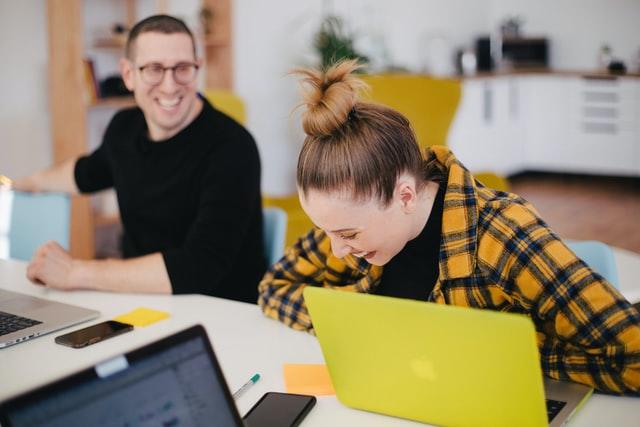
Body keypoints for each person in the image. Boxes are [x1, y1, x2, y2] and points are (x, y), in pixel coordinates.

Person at [258, 59, 640, 395]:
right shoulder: (349, 225)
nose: (336, 249)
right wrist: (356, 325)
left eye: (348, 235)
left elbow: (633, 357)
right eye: (326, 231)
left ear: (405, 195)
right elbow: (274, 288)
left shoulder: (503, 235)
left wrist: (514, 353)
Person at [12, 15, 265, 303]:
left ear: (198, 68)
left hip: (221, 315)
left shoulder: (233, 147)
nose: (169, 86)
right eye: (154, 69)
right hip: (139, 302)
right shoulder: (124, 128)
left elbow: (199, 267)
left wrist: (75, 272)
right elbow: (86, 173)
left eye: (182, 68)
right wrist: (25, 182)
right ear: (129, 74)